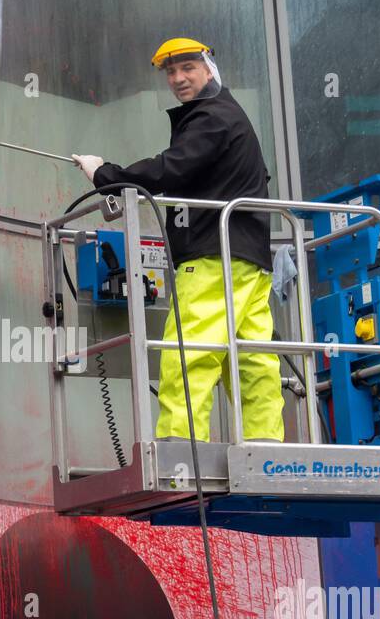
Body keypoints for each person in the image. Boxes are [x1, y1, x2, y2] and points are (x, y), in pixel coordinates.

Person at [72, 37, 285, 443]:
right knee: (252, 358)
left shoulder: (212, 117)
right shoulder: (229, 116)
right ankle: (265, 445)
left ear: (208, 69)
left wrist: (105, 175)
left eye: (187, 68)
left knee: (189, 353)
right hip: (249, 259)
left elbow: (171, 169)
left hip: (210, 258)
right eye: (171, 72)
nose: (178, 78)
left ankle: (179, 447)